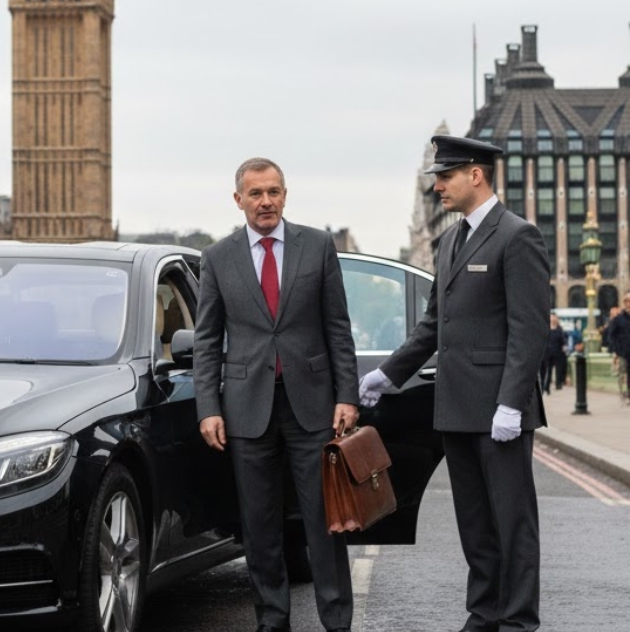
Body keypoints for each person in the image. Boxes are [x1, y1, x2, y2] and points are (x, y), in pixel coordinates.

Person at [359, 135, 549, 632]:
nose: (438, 187)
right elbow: (434, 326)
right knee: (475, 523)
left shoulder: (517, 236)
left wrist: (512, 403)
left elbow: (529, 331)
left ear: (476, 175)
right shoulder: (451, 241)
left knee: (513, 522)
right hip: (457, 405)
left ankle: (518, 621)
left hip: (499, 410)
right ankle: (484, 613)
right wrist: (387, 373)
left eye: (445, 177)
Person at [194, 157, 358, 632]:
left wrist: (347, 395)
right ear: (238, 199)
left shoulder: (318, 246)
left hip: (314, 407)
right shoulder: (217, 258)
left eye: (273, 192)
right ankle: (272, 620)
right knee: (260, 526)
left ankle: (337, 621)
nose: (266, 201)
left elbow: (337, 328)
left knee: (324, 522)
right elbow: (206, 341)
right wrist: (208, 407)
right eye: (256, 194)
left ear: (285, 195)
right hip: (246, 410)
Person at [607, 294, 630, 400]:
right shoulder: (618, 319)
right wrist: (615, 350)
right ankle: (623, 392)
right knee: (622, 372)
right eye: (627, 301)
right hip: (622, 351)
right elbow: (612, 335)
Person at [541, 314, 567, 395]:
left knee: (556, 369)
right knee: (547, 370)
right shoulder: (546, 328)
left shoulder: (559, 329)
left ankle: (556, 384)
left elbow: (563, 340)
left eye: (553, 318)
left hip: (557, 352)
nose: (552, 319)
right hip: (547, 353)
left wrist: (564, 346)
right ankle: (546, 387)